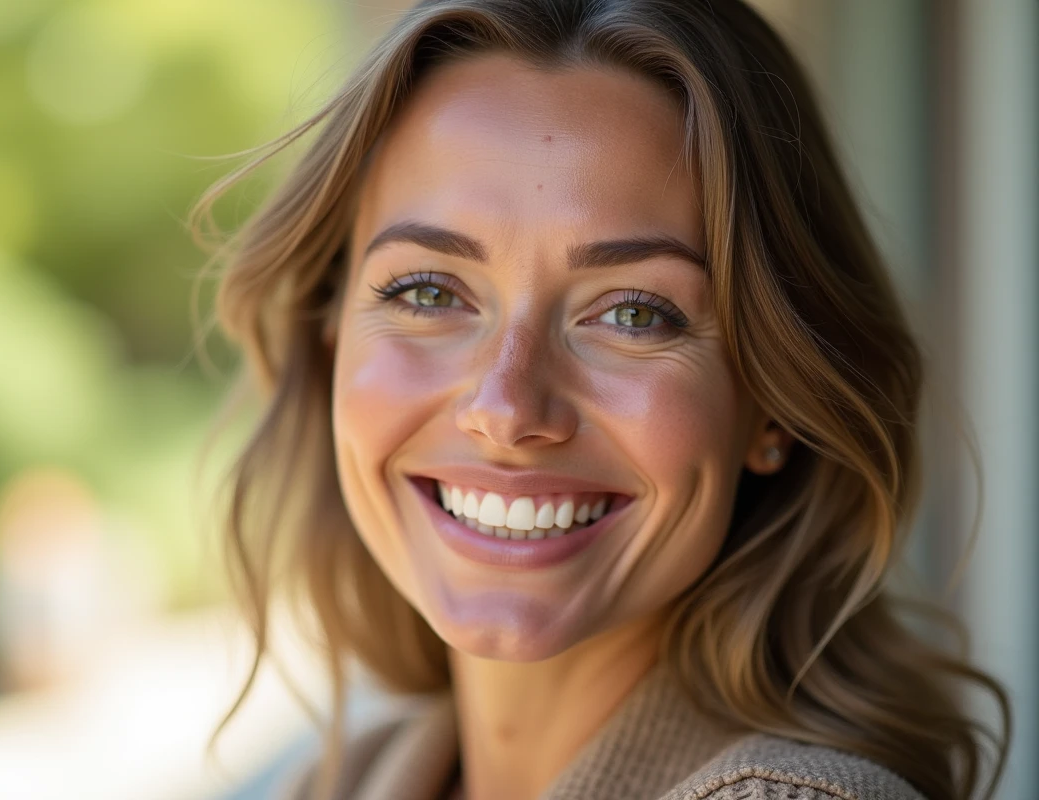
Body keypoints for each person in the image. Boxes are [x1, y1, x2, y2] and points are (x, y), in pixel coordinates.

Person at [192, 1, 1010, 798]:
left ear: (774, 405)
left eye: (632, 313)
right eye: (429, 292)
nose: (507, 407)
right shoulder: (340, 779)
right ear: (329, 332)